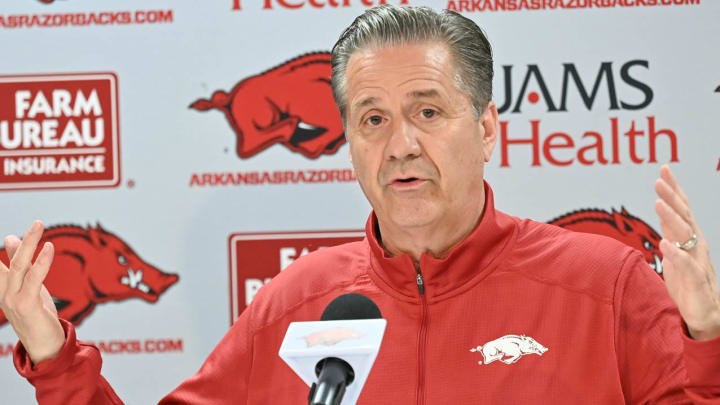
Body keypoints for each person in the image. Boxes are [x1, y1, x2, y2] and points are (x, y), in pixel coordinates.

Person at [2, 5, 719, 404]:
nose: (400, 143)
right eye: (373, 119)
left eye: (429, 111)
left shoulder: (607, 285)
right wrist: (53, 355)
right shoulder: (295, 302)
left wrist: (707, 344)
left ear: (490, 128)